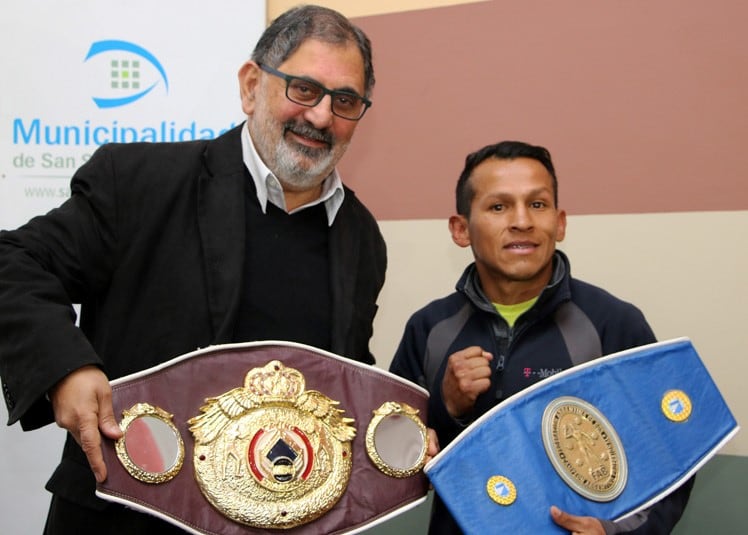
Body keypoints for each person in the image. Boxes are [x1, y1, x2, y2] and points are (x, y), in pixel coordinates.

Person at [0, 6, 389, 533]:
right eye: (303, 88)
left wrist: (390, 434)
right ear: (252, 85)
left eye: (344, 101)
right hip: (124, 518)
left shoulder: (362, 236)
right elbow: (14, 262)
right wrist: (65, 367)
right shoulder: (136, 182)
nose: (321, 116)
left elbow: (339, 375)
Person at [389, 141, 693, 534]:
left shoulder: (612, 323)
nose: (522, 221)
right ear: (461, 229)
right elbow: (392, 469)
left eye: (537, 204)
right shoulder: (429, 328)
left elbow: (672, 455)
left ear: (560, 222)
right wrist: (448, 408)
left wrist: (614, 532)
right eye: (499, 207)